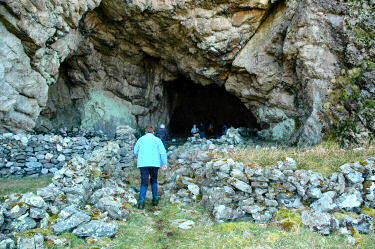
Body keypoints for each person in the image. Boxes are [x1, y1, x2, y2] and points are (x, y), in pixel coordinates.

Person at [134, 125, 168, 209]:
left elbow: (135, 151)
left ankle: (141, 202)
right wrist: (164, 164)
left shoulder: (141, 139)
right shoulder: (157, 140)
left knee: (144, 182)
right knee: (154, 181)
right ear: (153, 132)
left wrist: (139, 155)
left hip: (143, 164)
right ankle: (155, 200)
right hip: (154, 163)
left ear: (145, 132)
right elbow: (163, 152)